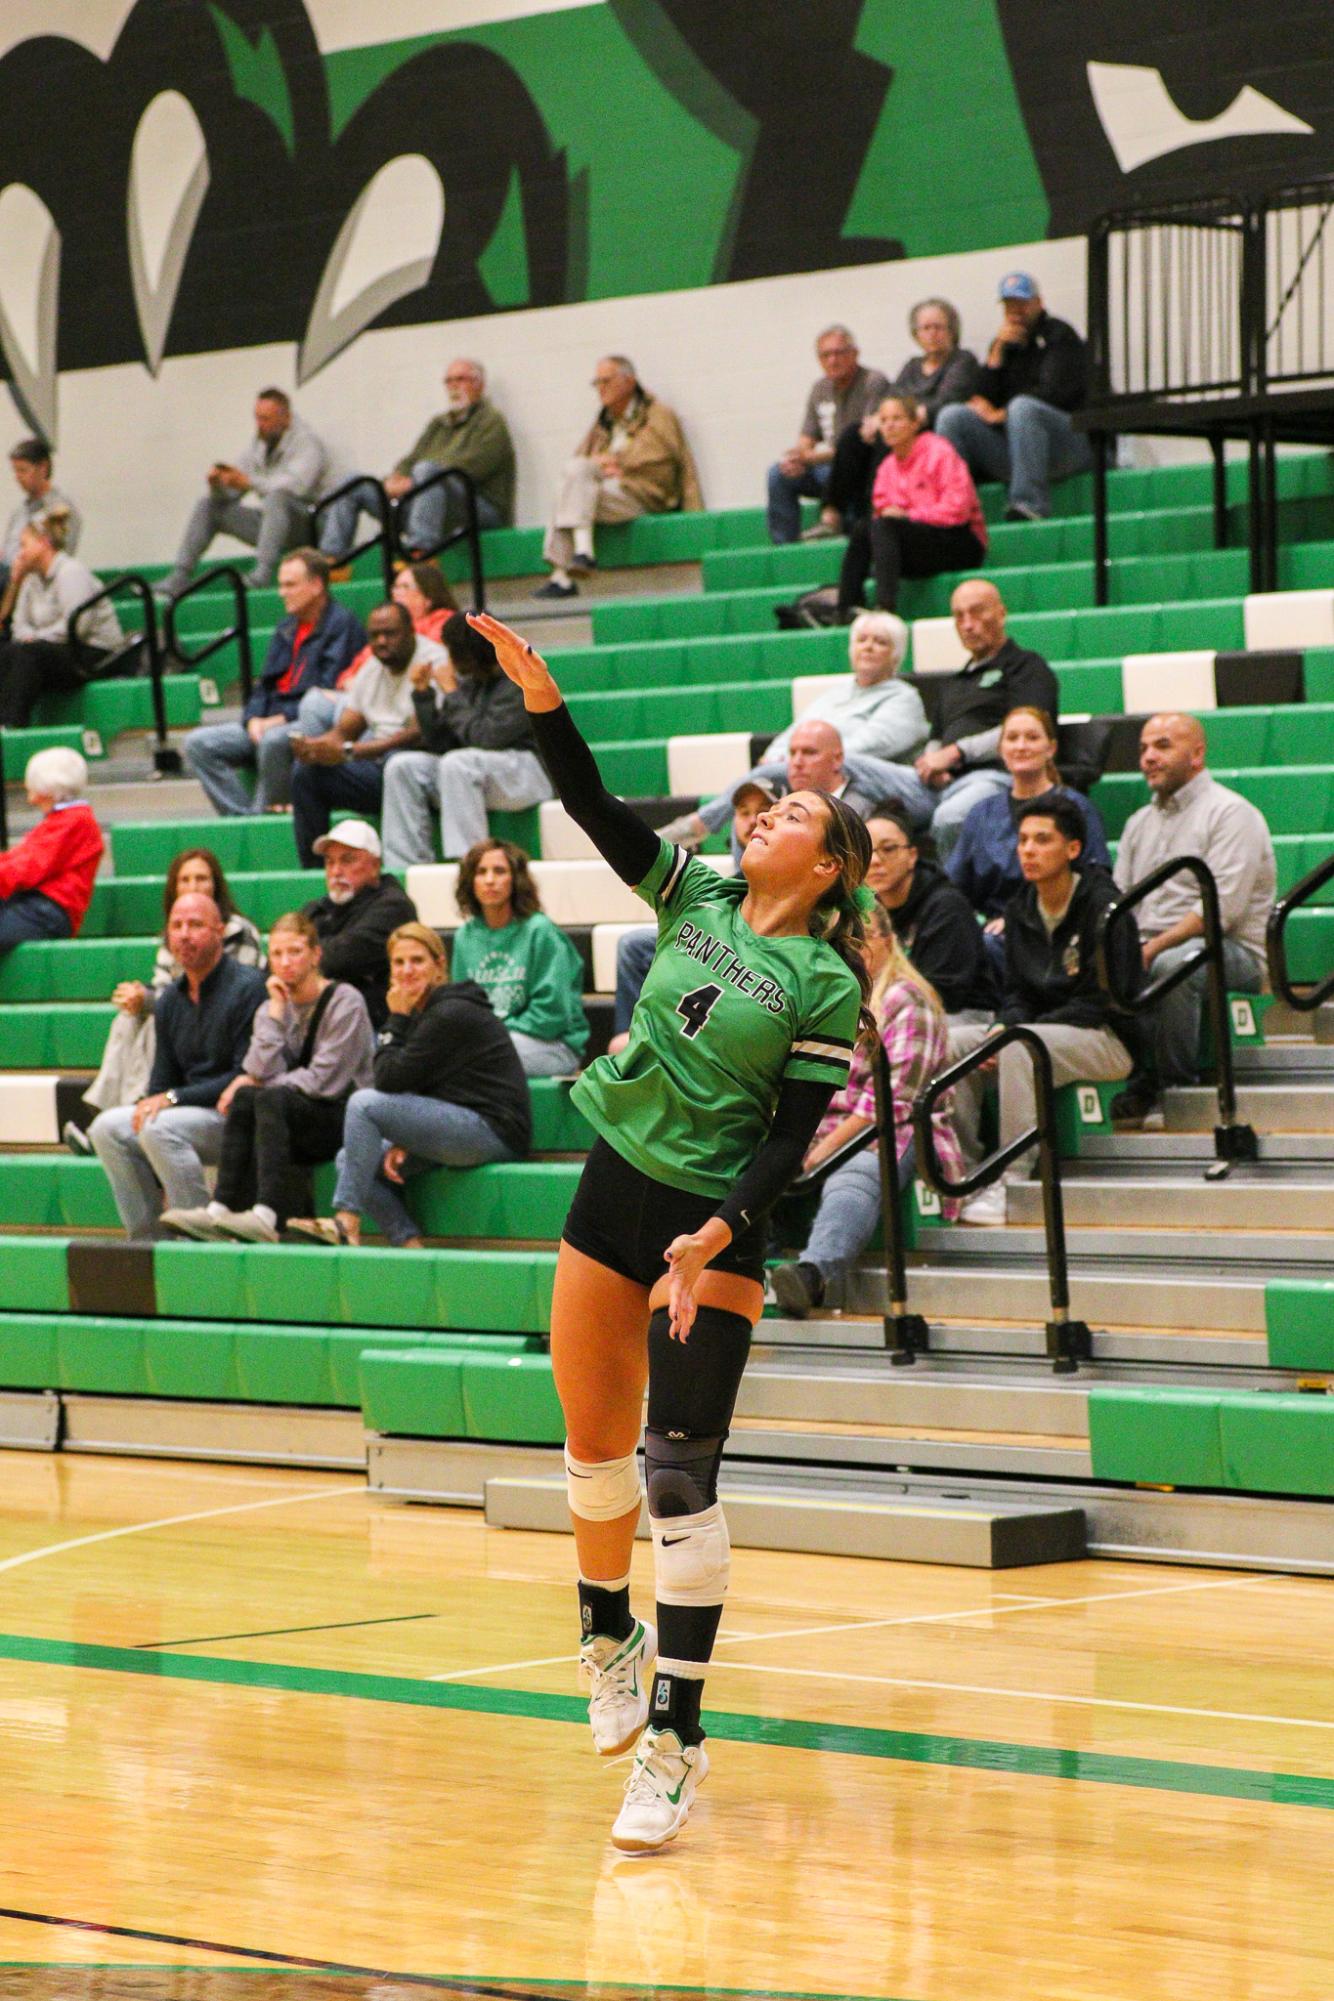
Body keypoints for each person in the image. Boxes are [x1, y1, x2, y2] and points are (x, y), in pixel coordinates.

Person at [464, 607, 871, 1853]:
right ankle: (604, 1635)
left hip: (712, 1229)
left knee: (677, 1481)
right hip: (612, 1185)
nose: (764, 817)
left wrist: (719, 1231)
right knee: (591, 1463)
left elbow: (789, 1138)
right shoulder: (694, 885)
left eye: (790, 817)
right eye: (763, 809)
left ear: (830, 867)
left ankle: (676, 1742)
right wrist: (542, 697)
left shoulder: (826, 982)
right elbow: (588, 805)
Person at [949, 797, 1139, 1224]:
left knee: (1021, 1045)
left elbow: (1102, 1003)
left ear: (1072, 849)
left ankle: (1011, 1180)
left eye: (1042, 840)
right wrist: (1004, 1024)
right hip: (1044, 1033)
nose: (1028, 850)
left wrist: (1018, 1032)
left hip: (1107, 1038)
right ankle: (964, 1172)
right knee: (958, 1043)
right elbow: (1016, 992)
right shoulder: (1019, 908)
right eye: (1022, 841)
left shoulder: (1106, 908)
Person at [769, 904, 962, 1315]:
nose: (853, 951)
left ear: (889, 944)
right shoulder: (826, 996)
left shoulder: (909, 1002)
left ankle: (812, 1276)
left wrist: (818, 1153)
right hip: (821, 1127)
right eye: (844, 942)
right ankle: (749, 1263)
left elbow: (889, 1105)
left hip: (901, 1131)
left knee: (855, 1172)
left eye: (863, 939)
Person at [289, 922, 530, 1248]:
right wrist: (406, 1139)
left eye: (417, 961)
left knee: (364, 1104)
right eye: (399, 963)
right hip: (459, 1121)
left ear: (439, 966)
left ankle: (345, 1221)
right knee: (350, 1159)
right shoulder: (428, 1011)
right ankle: (409, 1244)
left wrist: (396, 1019)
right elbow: (419, 1081)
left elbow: (387, 1080)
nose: (407, 971)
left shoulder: (449, 1012)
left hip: (493, 1130)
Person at [160, 912, 375, 1243]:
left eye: (295, 952)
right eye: (276, 954)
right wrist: (275, 1012)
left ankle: (267, 1213)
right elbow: (258, 1070)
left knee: (263, 1095)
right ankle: (219, 1209)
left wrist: (255, 1083)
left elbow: (322, 1081)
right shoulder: (271, 1006)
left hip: (342, 1117)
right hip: (290, 1115)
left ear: (316, 955)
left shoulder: (345, 1001)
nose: (285, 962)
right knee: (248, 1097)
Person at [1110, 713, 1276, 1126]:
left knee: (1174, 965)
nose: (1148, 757)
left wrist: (1151, 948)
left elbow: (1220, 912)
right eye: (1144, 748)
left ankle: (1176, 1092)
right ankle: (1130, 1081)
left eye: (1162, 746)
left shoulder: (1231, 814)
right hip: (1152, 944)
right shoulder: (1137, 823)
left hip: (1231, 953)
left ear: (1197, 754)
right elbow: (1120, 899)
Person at [661, 612, 926, 852]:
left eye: (880, 641)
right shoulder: (836, 693)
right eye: (862, 640)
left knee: (767, 776)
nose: (868, 646)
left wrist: (793, 760)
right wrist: (778, 754)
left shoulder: (905, 698)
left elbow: (865, 746)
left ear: (896, 654)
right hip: (823, 774)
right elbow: (797, 733)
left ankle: (695, 826)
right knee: (754, 804)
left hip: (874, 784)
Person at [88, 893, 267, 1241]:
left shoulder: (248, 987)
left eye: (196, 925)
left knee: (159, 1127)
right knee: (106, 1128)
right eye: (177, 926)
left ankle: (200, 1238)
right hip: (186, 1113)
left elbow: (244, 1075)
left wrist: (169, 1099)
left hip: (235, 1115)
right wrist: (151, 1103)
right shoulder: (170, 998)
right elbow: (161, 1080)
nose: (185, 934)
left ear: (220, 930)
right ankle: (149, 1241)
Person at [73, 848, 265, 1144]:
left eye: (201, 878)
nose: (193, 886)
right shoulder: (174, 975)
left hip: (225, 1091)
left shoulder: (242, 949)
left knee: (151, 1019)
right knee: (129, 1020)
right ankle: (117, 1109)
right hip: (181, 1056)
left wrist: (171, 1097)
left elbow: (236, 991)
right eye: (184, 879)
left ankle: (134, 1105)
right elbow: (165, 989)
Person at [866, 578, 1060, 857]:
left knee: (950, 818)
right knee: (850, 771)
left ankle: (951, 896)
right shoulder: (955, 682)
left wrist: (957, 753)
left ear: (1001, 613)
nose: (968, 624)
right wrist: (930, 764)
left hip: (993, 776)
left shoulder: (1026, 667)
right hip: (937, 783)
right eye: (959, 616)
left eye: (978, 611)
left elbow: (1027, 730)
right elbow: (936, 737)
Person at [183, 549, 364, 818]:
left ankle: (260, 820)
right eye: (280, 585)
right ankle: (242, 819)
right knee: (198, 743)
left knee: (273, 740)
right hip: (268, 721)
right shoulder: (285, 628)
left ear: (316, 586)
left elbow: (326, 694)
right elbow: (263, 686)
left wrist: (276, 721)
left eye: (290, 585)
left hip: (312, 723)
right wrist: (253, 718)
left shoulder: (342, 625)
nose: (282, 593)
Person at [607, 780, 779, 1057]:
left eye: (764, 811)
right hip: (719, 950)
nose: (753, 820)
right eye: (743, 812)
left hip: (751, 964)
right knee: (635, 945)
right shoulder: (730, 881)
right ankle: (629, 1034)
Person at [380, 610, 552, 867]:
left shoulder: (519, 679)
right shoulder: (471, 683)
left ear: (466, 653)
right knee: (402, 766)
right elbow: (443, 744)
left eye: (451, 650)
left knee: (458, 764)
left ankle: (469, 866)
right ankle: (404, 866)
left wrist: (450, 691)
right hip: (475, 773)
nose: (447, 658)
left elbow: (486, 737)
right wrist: (424, 694)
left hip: (529, 773)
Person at [947, 707, 1110, 972]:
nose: (1021, 746)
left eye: (1032, 737)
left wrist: (1018, 919)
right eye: (1012, 738)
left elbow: (1096, 878)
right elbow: (955, 886)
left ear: (1051, 748)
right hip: (991, 929)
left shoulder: (1077, 808)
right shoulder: (981, 813)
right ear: (1001, 749)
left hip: (1059, 929)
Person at [288, 601, 439, 867]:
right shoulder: (371, 667)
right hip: (377, 766)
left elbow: (420, 733)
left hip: (420, 766)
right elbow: (346, 728)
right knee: (307, 772)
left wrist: (351, 752)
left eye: (390, 633)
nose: (381, 642)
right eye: (374, 635)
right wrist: (317, 748)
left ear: (411, 631)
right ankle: (315, 870)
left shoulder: (432, 661)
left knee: (397, 761)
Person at [536, 358, 703, 598]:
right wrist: (599, 465)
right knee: (571, 478)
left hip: (644, 494)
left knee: (574, 482)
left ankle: (564, 571)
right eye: (597, 383)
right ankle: (580, 555)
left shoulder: (658, 414)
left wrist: (616, 461)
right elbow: (578, 465)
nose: (601, 388)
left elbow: (660, 455)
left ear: (629, 381)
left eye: (607, 380)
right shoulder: (603, 422)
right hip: (607, 495)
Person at [936, 273, 1090, 523]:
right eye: (1009, 305)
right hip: (1021, 450)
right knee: (952, 417)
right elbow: (979, 398)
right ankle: (956, 510)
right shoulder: (1004, 343)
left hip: (1070, 444)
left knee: (1023, 408)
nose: (1015, 311)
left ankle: (1029, 504)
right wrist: (996, 354)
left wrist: (1003, 413)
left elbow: (1056, 392)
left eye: (1022, 304)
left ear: (1038, 303)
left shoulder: (1059, 334)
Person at [158, 388, 337, 598]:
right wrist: (219, 484)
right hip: (275, 525)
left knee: (277, 498)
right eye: (258, 418)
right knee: (208, 505)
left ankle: (262, 574)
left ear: (286, 418)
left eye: (266, 419)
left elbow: (294, 487)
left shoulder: (307, 443)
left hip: (310, 525)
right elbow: (235, 490)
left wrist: (248, 482)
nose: (260, 425)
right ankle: (179, 576)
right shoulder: (259, 445)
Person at [821, 303, 979, 539]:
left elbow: (948, 399)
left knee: (891, 433)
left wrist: (904, 417)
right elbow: (892, 398)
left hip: (932, 440)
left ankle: (874, 518)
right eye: (925, 328)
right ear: (916, 334)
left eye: (938, 327)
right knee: (854, 434)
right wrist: (877, 418)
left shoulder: (962, 360)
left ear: (952, 330)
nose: (932, 333)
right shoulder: (912, 366)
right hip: (907, 428)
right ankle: (831, 515)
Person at [835, 392, 987, 617]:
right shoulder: (887, 467)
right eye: (884, 420)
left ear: (915, 423)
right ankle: (846, 608)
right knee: (863, 528)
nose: (889, 426)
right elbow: (882, 512)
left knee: (884, 526)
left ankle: (886, 609)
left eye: (897, 419)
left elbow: (958, 509)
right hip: (920, 545)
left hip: (960, 541)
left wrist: (910, 516)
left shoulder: (939, 451)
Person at [450, 840, 589, 1076]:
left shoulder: (540, 931)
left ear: (516, 880)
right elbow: (463, 1007)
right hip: (489, 1041)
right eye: (481, 872)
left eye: (500, 871)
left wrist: (492, 1031)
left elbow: (551, 1015)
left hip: (553, 1044)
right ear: (470, 881)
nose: (490, 880)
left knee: (476, 1059)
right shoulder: (465, 936)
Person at [865, 806, 995, 1023]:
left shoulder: (946, 906)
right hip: (890, 1010)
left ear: (912, 856)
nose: (875, 860)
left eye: (888, 849)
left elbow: (944, 992)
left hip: (960, 1015)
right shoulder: (864, 909)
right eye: (867, 851)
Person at [767, 327, 890, 544]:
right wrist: (797, 459)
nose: (832, 360)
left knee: (842, 465)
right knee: (779, 473)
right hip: (827, 469)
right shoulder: (820, 388)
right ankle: (784, 548)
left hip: (861, 470)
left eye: (839, 353)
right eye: (825, 355)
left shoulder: (873, 382)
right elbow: (805, 441)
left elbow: (862, 443)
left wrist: (810, 458)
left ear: (855, 353)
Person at [0, 512, 121, 726]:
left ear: (44, 543)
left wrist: (36, 638)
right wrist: (30, 637)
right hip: (52, 651)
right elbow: (18, 624)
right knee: (8, 652)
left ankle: (12, 725)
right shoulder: (31, 579)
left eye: (24, 545)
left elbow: (77, 627)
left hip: (93, 652)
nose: (20, 552)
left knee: (27, 655)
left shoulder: (71, 572)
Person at [385, 359, 515, 549]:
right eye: (449, 381)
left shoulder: (491, 421)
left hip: (481, 508)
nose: (454, 386)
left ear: (479, 385)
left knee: (427, 471)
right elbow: (411, 459)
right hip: (431, 501)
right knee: (359, 486)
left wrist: (418, 480)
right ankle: (334, 560)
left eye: (461, 379)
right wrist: (396, 479)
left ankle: (420, 551)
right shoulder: (438, 424)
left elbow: (474, 466)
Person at [298, 821, 417, 1029]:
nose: (336, 871)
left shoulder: (394, 907)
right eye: (329, 862)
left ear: (374, 866)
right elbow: (282, 953)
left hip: (375, 1025)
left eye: (347, 860)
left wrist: (305, 955)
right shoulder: (317, 908)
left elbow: (340, 959)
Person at [0, 747, 102, 957]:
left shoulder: (75, 821)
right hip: (33, 905)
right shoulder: (64, 820)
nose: (30, 797)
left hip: (47, 912)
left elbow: (25, 868)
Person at [1, 437, 81, 596]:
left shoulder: (60, 509)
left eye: (23, 470)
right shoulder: (20, 511)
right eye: (15, 471)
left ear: (43, 468)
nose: (17, 477)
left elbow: (59, 556)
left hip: (32, 583)